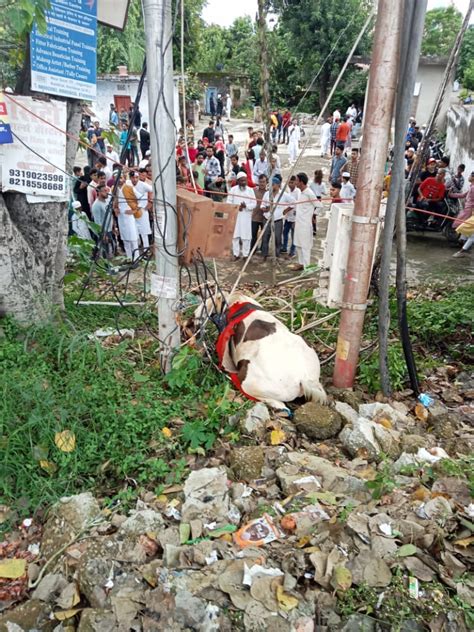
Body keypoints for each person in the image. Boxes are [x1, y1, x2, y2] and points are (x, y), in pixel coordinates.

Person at [261, 177, 295, 259]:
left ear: (278, 185)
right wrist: (265, 209)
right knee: (265, 238)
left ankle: (277, 255)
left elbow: (294, 203)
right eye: (270, 185)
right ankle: (264, 255)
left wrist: (286, 210)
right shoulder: (267, 194)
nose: (271, 186)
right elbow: (262, 205)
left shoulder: (284, 195)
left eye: (273, 184)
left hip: (278, 220)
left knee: (277, 239)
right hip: (267, 219)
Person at [293, 173, 319, 270]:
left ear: (301, 182)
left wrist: (313, 215)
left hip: (305, 225)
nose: (295, 182)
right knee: (298, 244)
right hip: (299, 223)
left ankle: (307, 267)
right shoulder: (301, 193)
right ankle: (301, 263)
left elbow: (320, 206)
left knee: (305, 247)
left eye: (296, 180)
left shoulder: (309, 193)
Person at [229, 172, 256, 259]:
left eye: (245, 180)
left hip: (246, 216)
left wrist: (246, 206)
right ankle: (236, 254)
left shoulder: (250, 190)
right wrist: (237, 207)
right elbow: (228, 202)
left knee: (246, 237)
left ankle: (245, 255)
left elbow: (254, 204)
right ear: (238, 181)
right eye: (242, 181)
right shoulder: (233, 190)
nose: (244, 182)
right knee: (235, 236)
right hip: (236, 216)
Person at [114, 172, 140, 262]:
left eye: (120, 177)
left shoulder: (129, 187)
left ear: (124, 178)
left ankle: (136, 258)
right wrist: (115, 208)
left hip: (129, 216)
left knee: (133, 238)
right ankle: (129, 258)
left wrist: (135, 210)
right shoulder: (114, 189)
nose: (119, 180)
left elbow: (141, 198)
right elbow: (115, 202)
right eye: (117, 178)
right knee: (125, 238)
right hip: (121, 217)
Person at [453, 171, 474, 258]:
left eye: (470, 175)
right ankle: (462, 246)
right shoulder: (471, 187)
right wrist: (451, 194)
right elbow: (463, 195)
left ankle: (462, 250)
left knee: (468, 230)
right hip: (470, 210)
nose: (469, 177)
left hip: (470, 210)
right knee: (466, 228)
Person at [131, 169, 153, 248]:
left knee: (144, 233)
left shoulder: (143, 185)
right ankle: (137, 250)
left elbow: (153, 190)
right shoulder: (129, 185)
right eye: (133, 177)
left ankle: (146, 250)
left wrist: (150, 202)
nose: (135, 179)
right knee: (135, 232)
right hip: (133, 212)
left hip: (142, 211)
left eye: (136, 177)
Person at [91, 185, 115, 258]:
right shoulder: (96, 205)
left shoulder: (106, 202)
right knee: (105, 250)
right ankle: (106, 267)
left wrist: (114, 226)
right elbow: (97, 222)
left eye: (107, 190)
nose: (107, 192)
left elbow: (110, 215)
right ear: (99, 192)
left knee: (111, 247)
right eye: (104, 191)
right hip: (104, 231)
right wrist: (103, 234)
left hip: (109, 229)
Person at [281, 175, 299, 257]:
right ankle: (284, 248)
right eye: (289, 183)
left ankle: (292, 251)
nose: (290, 184)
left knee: (294, 235)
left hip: (294, 218)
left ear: (295, 182)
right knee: (285, 233)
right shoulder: (288, 192)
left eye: (292, 183)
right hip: (288, 217)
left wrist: (286, 210)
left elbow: (296, 204)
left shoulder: (298, 192)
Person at [251, 174, 268, 252]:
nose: (262, 184)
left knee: (265, 235)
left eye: (263, 182)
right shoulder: (253, 190)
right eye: (260, 182)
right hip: (254, 217)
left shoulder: (269, 192)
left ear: (266, 182)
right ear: (258, 182)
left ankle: (263, 250)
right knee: (253, 235)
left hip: (265, 217)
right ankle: (253, 250)